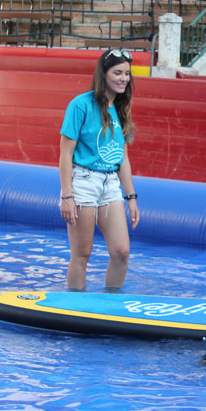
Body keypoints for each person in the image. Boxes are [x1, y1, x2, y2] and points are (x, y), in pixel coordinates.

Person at [58, 49, 140, 293]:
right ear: (103, 74)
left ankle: (110, 303)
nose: (123, 78)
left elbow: (123, 159)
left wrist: (131, 197)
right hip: (83, 181)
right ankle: (74, 305)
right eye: (117, 73)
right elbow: (65, 153)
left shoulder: (121, 108)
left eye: (127, 74)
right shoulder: (81, 105)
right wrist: (67, 195)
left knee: (121, 251)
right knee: (82, 254)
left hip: (110, 184)